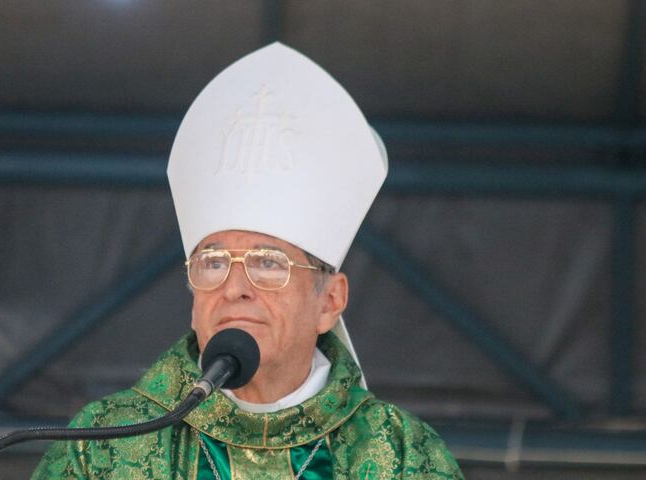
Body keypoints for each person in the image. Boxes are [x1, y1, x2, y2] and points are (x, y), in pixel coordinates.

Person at [32, 43, 463, 480]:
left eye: (268, 263)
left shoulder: (405, 455)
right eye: (214, 262)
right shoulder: (103, 444)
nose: (234, 286)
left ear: (329, 302)